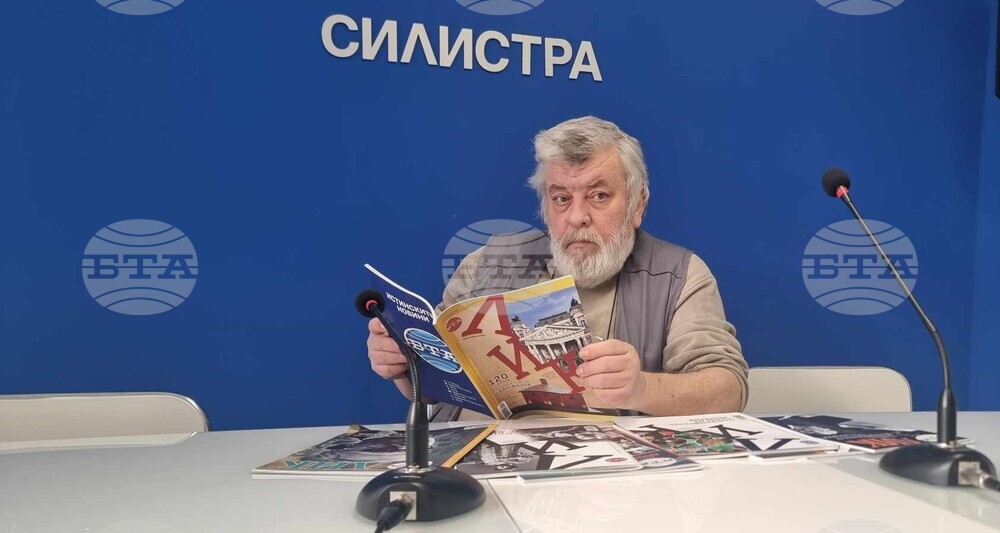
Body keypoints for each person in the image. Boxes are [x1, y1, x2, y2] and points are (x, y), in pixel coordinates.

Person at [367, 116, 748, 419]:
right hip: (476, 468)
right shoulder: (484, 263)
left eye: (599, 195)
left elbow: (728, 389)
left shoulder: (680, 275)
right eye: (561, 198)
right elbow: (433, 386)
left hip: (613, 479)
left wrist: (642, 389)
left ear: (638, 205)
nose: (577, 217)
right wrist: (402, 364)